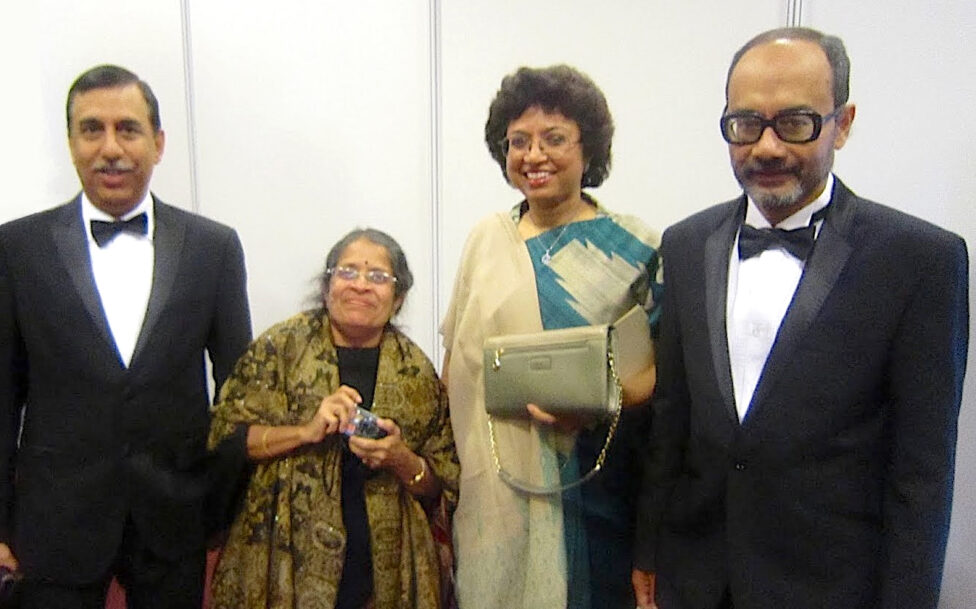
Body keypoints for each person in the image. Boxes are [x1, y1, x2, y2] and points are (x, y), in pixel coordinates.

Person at [633, 27, 968, 609]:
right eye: (744, 124)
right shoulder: (686, 244)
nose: (766, 147)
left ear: (843, 122)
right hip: (696, 577)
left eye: (795, 122)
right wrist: (648, 553)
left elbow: (922, 478)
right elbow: (673, 421)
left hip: (832, 587)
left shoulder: (922, 261)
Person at [0, 64, 252, 608]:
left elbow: (240, 394)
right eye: (92, 129)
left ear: (158, 143)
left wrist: (228, 512)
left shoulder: (215, 248)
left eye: (128, 129)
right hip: (52, 525)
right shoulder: (14, 250)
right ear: (71, 143)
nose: (110, 147)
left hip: (176, 521)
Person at [441, 65, 662, 609]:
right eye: (519, 141)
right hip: (491, 494)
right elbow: (456, 366)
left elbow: (655, 378)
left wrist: (593, 407)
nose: (533, 156)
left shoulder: (635, 248)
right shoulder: (485, 239)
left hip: (595, 489)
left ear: (590, 149)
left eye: (554, 139)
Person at [208, 228, 458, 609]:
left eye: (378, 277)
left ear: (398, 298)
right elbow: (227, 438)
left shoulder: (418, 373)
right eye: (347, 272)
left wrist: (400, 458)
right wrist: (305, 432)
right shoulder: (279, 349)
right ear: (326, 288)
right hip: (283, 559)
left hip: (385, 569)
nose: (360, 285)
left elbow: (442, 483)